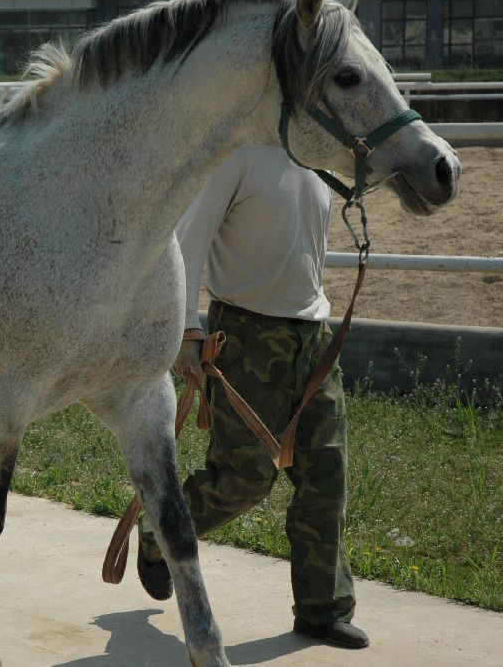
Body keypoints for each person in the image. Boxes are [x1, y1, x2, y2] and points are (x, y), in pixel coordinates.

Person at [136, 144, 369, 649]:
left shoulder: (319, 157)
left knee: (326, 474)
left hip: (313, 336)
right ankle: (159, 531)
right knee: (243, 479)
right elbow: (187, 242)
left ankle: (321, 609)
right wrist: (188, 329)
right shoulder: (237, 154)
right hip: (244, 336)